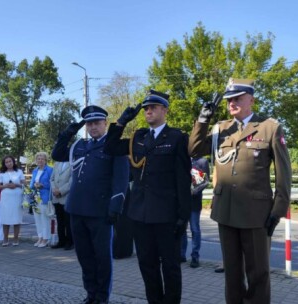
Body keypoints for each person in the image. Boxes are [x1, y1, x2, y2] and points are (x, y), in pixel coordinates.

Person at [188, 78, 292, 303]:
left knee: (258, 274)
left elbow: (284, 173)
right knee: (232, 275)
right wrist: (203, 119)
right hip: (225, 211)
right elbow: (194, 149)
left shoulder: (269, 128)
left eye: (237, 98)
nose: (231, 103)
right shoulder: (220, 129)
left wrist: (278, 209)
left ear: (251, 100)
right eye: (228, 100)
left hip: (256, 214)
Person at [104, 90, 192, 303]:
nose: (148, 111)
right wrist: (122, 121)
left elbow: (183, 178)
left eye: (153, 107)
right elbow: (110, 147)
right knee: (147, 264)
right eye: (146, 108)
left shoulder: (177, 138)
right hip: (140, 213)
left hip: (166, 214)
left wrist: (183, 215)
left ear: (164, 110)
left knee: (170, 266)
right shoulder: (139, 137)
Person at [52, 105, 129, 304]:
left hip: (100, 212)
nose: (93, 127)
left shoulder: (114, 146)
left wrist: (115, 206)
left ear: (105, 123)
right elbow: (57, 154)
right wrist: (68, 132)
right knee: (84, 257)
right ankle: (91, 294)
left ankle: (102, 298)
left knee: (102, 258)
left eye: (97, 123)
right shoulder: (79, 146)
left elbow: (121, 179)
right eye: (89, 124)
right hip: (76, 209)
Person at [181, 156, 210, 268]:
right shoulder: (184, 158)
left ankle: (195, 256)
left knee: (195, 229)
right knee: (182, 228)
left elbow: (206, 180)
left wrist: (195, 191)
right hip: (183, 200)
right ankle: (181, 254)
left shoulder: (202, 161)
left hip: (194, 201)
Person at [0, 155, 25, 247]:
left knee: (16, 218)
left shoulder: (19, 171)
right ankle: (5, 238)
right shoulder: (1, 173)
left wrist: (16, 185)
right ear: (4, 164)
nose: (8, 163)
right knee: (6, 218)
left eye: (10, 161)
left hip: (17, 197)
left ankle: (16, 238)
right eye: (6, 162)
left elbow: (24, 184)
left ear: (13, 162)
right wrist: (6, 186)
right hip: (6, 198)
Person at [29, 152, 53, 248]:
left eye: (42, 159)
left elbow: (52, 184)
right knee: (37, 219)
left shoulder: (50, 170)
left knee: (45, 219)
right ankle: (40, 237)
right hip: (35, 198)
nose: (40, 160)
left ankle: (46, 238)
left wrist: (43, 185)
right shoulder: (35, 170)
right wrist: (33, 186)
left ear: (45, 160)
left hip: (45, 197)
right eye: (38, 159)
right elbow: (31, 184)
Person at [50, 160, 73, 250]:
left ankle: (70, 242)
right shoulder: (56, 163)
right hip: (56, 197)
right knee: (60, 222)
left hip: (66, 197)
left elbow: (72, 181)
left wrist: (61, 191)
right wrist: (54, 189)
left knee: (68, 222)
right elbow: (51, 179)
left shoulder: (72, 163)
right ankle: (61, 241)